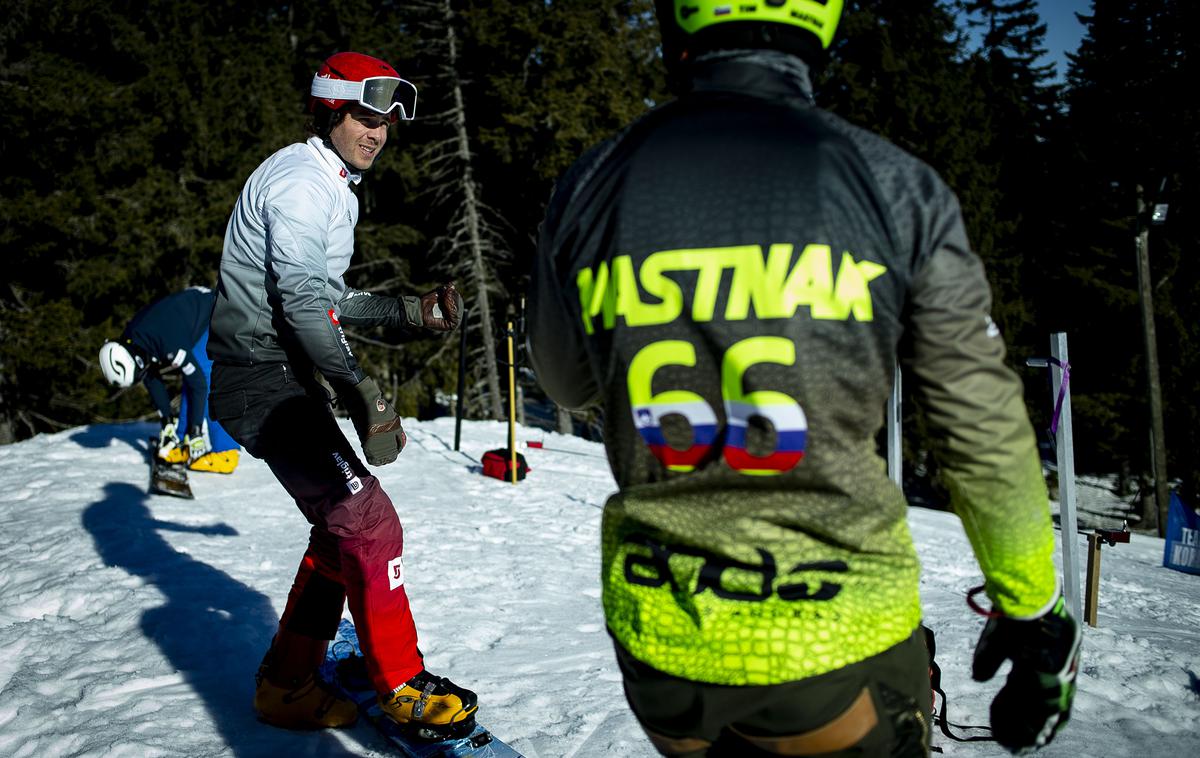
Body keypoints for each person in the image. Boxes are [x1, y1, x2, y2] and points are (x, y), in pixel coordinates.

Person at [528, 2, 1080, 756]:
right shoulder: (893, 184)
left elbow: (563, 382)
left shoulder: (592, 180)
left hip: (662, 633)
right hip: (834, 631)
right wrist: (1031, 607)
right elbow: (978, 423)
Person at [206, 51, 476, 734]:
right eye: (364, 115)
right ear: (331, 110)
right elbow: (300, 305)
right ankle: (402, 685)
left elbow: (324, 297)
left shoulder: (329, 183)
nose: (378, 131)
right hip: (261, 378)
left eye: (386, 119)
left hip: (277, 377)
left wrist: (406, 314)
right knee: (367, 519)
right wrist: (360, 390)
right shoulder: (303, 183)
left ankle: (288, 683)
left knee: (341, 527)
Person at [99, 286, 240, 473]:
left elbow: (198, 383)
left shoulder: (167, 343)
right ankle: (180, 440)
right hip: (183, 317)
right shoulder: (132, 341)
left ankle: (226, 452)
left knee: (206, 378)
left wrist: (196, 431)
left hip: (209, 311)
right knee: (191, 378)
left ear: (137, 362)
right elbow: (150, 375)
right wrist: (166, 421)